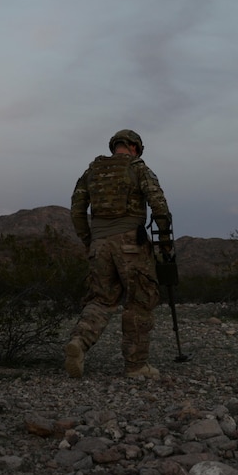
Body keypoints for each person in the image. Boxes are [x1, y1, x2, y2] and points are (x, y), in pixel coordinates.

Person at [65, 129, 173, 379]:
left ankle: (79, 343)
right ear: (134, 147)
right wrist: (165, 242)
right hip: (130, 243)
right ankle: (136, 365)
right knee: (139, 301)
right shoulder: (137, 167)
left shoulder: (91, 172)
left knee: (101, 300)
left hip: (99, 244)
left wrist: (89, 240)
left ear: (115, 146)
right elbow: (159, 204)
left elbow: (77, 210)